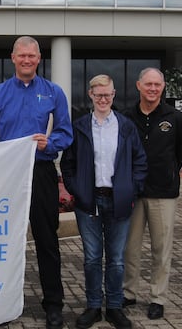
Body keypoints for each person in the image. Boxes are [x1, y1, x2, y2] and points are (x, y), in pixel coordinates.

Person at [0, 36, 73, 329]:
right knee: (2, 242)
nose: (27, 60)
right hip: (7, 177)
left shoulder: (53, 92)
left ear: (39, 59)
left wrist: (50, 142)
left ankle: (53, 304)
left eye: (32, 56)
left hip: (40, 173)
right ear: (13, 58)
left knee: (47, 240)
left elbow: (66, 133)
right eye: (22, 56)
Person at [61, 75, 147, 329]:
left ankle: (115, 308)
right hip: (89, 201)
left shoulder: (126, 126)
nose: (102, 99)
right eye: (98, 94)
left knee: (116, 259)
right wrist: (77, 190)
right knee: (91, 258)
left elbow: (140, 161)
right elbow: (68, 164)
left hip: (119, 200)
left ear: (114, 94)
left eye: (107, 94)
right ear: (90, 94)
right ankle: (93, 306)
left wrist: (131, 189)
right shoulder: (80, 127)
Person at [122, 67, 182, 320]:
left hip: (164, 193)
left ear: (163, 87)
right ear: (139, 85)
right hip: (133, 192)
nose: (152, 88)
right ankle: (129, 293)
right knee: (130, 247)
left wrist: (170, 175)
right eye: (148, 84)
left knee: (161, 248)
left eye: (157, 85)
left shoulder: (175, 117)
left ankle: (158, 297)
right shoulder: (126, 117)